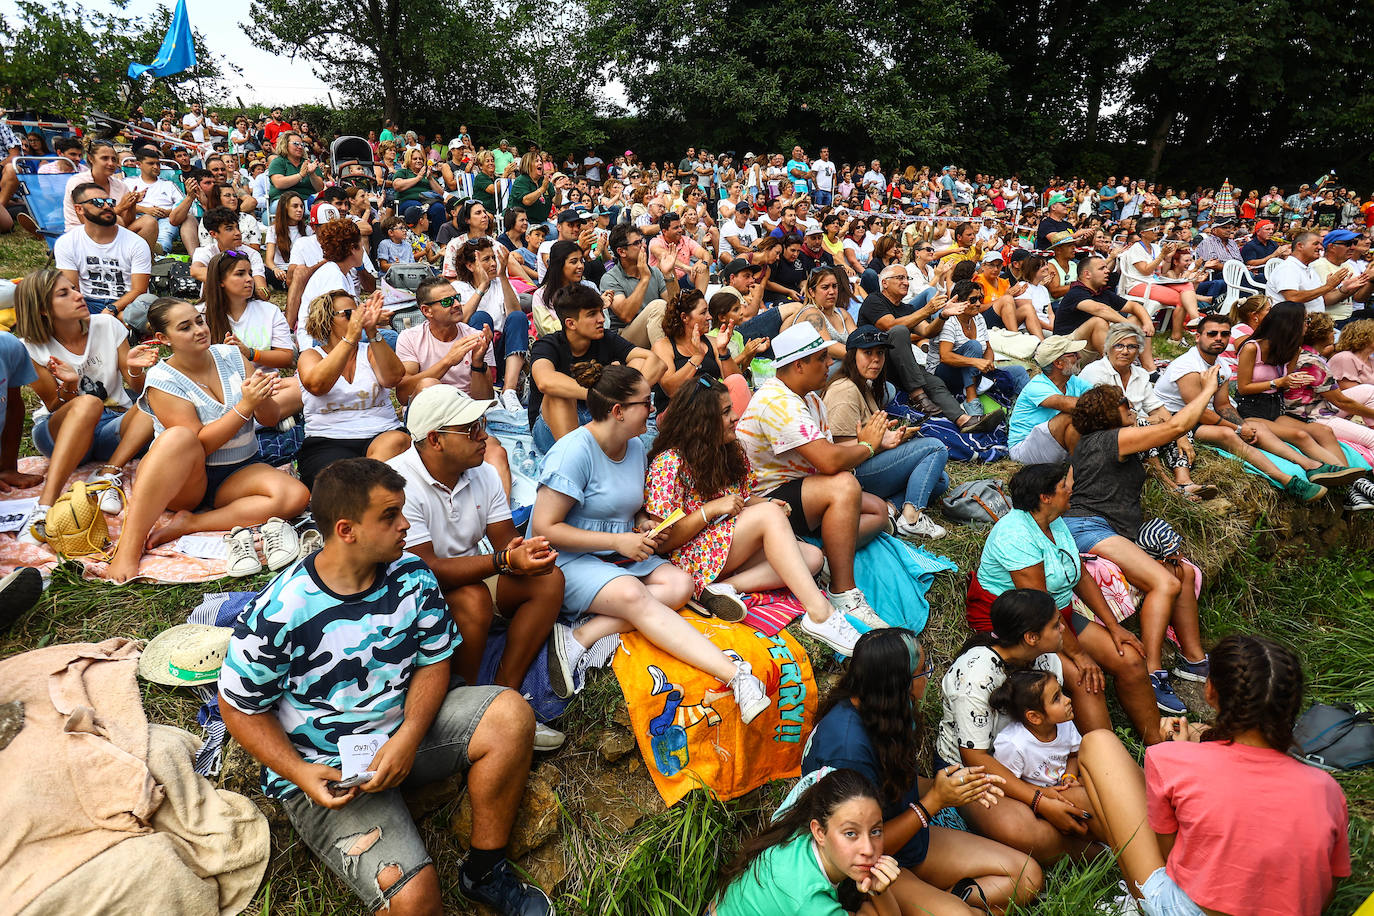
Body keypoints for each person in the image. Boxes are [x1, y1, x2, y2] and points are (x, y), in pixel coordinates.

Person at [218, 458, 555, 916]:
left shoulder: (412, 575)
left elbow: (434, 663)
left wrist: (408, 737)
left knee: (511, 714)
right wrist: (299, 774)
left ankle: (486, 870)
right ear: (346, 529)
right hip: (331, 772)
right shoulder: (280, 609)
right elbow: (238, 707)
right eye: (390, 516)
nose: (405, 525)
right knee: (414, 901)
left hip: (405, 738)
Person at [531, 365, 771, 721]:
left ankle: (583, 634)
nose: (656, 408)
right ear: (618, 411)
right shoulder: (573, 453)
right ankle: (734, 675)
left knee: (681, 583)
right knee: (632, 594)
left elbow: (632, 507)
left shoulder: (633, 447)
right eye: (648, 401)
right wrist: (619, 540)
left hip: (615, 551)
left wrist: (643, 522)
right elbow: (544, 528)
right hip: (566, 557)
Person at [1078, 634, 1350, 916]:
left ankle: (1136, 902)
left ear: (1210, 691)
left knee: (1099, 744)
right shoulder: (1327, 789)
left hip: (1193, 908)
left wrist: (1181, 759)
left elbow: (1175, 860)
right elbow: (1329, 886)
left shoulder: (1170, 760)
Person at [801, 629, 1044, 915]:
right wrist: (933, 804)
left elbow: (890, 785)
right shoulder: (847, 749)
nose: (928, 676)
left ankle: (946, 900)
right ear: (899, 684)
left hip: (906, 840)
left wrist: (955, 785)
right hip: (869, 865)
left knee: (1028, 876)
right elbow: (859, 845)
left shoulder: (883, 709)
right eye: (923, 671)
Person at [385, 386, 565, 749]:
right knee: (472, 599)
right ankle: (464, 707)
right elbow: (428, 571)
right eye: (471, 429)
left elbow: (503, 541)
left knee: (548, 580)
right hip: (409, 597)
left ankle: (504, 693)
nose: (485, 435)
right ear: (435, 440)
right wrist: (503, 561)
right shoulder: (397, 484)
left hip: (470, 576)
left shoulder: (481, 472)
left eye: (482, 423)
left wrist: (524, 553)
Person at [645, 377, 862, 656]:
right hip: (687, 557)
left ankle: (720, 589)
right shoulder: (670, 463)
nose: (735, 417)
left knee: (812, 558)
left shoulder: (729, 451)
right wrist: (709, 510)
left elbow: (742, 499)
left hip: (724, 547)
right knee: (769, 518)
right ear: (700, 421)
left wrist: (769, 501)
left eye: (731, 409)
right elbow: (663, 541)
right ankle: (821, 614)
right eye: (725, 412)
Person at [104, 298, 309, 583]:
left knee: (297, 496)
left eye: (199, 321)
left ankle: (190, 523)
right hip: (186, 478)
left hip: (238, 468)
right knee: (179, 437)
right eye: (185, 327)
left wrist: (260, 400)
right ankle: (130, 544)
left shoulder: (232, 356)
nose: (199, 330)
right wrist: (244, 407)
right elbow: (199, 445)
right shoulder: (162, 379)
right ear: (163, 338)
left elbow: (271, 419)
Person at [1064, 381, 1219, 714]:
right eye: (1123, 402)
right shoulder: (1111, 438)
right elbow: (1177, 426)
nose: (1130, 406)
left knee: (1181, 573)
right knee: (1164, 582)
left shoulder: (1095, 444)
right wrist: (1207, 387)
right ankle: (1152, 672)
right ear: (1108, 412)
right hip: (1088, 527)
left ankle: (1193, 661)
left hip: (1111, 529)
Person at [736, 323, 888, 627]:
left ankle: (817, 555)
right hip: (766, 501)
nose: (830, 364)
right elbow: (831, 463)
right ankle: (843, 592)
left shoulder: (811, 398)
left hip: (800, 490)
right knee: (845, 486)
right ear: (799, 364)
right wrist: (868, 446)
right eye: (822, 358)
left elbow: (829, 459)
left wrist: (861, 447)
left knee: (878, 512)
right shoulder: (777, 402)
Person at [936, 589, 1096, 864]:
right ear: (1031, 637)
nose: (1063, 629)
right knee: (1022, 829)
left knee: (1086, 796)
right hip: (973, 771)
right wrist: (1039, 800)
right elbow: (975, 756)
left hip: (1035, 757)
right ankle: (1099, 856)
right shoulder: (975, 677)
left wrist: (1062, 779)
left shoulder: (1046, 659)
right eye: (1055, 625)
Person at [11, 270, 157, 543]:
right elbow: (54, 405)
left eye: (75, 288)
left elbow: (137, 389)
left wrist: (136, 371)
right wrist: (69, 385)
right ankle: (43, 509)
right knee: (88, 402)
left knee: (159, 394)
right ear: (42, 309)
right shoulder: (30, 347)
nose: (79, 295)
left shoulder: (108, 325)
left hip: (114, 424)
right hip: (59, 430)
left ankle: (107, 475)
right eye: (64, 293)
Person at [1154, 313, 1336, 500]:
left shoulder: (1220, 363)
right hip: (1176, 417)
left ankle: (1311, 465)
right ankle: (1286, 480)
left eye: (1224, 334)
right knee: (1226, 434)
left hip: (1201, 415)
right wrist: (1237, 429)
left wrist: (1243, 426)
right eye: (1212, 334)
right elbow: (1197, 414)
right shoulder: (1187, 367)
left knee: (1257, 428)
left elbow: (1223, 404)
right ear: (1198, 337)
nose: (1219, 338)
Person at [710, 768, 903, 916]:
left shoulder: (798, 831)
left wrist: (877, 890)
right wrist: (880, 893)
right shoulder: (809, 903)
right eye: (851, 833)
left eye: (876, 831)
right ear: (819, 832)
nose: (868, 849)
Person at [823, 327, 949, 539]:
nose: (876, 360)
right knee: (935, 448)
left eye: (880, 353)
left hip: (867, 464)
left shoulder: (863, 385)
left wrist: (892, 438)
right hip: (851, 477)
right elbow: (838, 455)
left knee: (939, 479)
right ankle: (912, 520)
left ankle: (889, 509)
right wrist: (881, 443)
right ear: (852, 355)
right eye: (868, 353)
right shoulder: (844, 390)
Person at [1234, 301, 1368, 482]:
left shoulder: (1293, 350)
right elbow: (1243, 388)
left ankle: (1350, 480)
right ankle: (1354, 484)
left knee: (1324, 432)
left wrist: (1294, 383)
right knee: (1301, 435)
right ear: (1290, 322)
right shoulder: (1252, 348)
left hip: (1276, 409)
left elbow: (1285, 383)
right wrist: (1278, 382)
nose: (1308, 325)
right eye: (1305, 320)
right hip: (1251, 410)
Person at [1078, 323, 1215, 500]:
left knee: (1178, 425)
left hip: (1139, 423)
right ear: (1108, 348)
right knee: (1143, 426)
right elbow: (1107, 417)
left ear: (1138, 350)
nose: (1125, 351)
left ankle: (1184, 481)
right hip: (1108, 434)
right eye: (1119, 345)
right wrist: (1152, 422)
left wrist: (1180, 435)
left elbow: (1156, 407)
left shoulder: (1140, 373)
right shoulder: (1095, 372)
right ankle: (1168, 485)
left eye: (1131, 346)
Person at [855, 264, 998, 432]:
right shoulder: (875, 300)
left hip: (902, 365)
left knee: (935, 382)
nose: (906, 282)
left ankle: (965, 420)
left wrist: (943, 316)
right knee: (899, 331)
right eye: (900, 278)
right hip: (874, 364)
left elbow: (927, 331)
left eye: (907, 278)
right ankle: (918, 395)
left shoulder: (907, 309)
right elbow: (889, 326)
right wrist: (926, 310)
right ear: (884, 283)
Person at [293, 289, 411, 489]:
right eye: (349, 314)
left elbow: (393, 378)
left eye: (358, 313)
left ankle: (364, 494)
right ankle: (368, 494)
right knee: (336, 482)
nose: (356, 318)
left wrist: (372, 332)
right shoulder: (311, 355)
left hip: (381, 433)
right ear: (327, 320)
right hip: (329, 439)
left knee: (396, 441)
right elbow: (317, 385)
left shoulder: (371, 351)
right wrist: (349, 339)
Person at [526, 283, 662, 451]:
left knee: (637, 365)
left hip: (598, 416)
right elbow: (544, 381)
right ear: (571, 323)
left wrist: (627, 396)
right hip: (552, 427)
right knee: (558, 394)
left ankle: (604, 450)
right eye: (592, 314)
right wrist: (603, 396)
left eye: (600, 311)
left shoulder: (605, 338)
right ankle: (575, 459)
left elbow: (656, 362)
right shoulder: (549, 345)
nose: (602, 319)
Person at [448, 237, 526, 414]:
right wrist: (482, 287)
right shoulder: (459, 288)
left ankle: (509, 391)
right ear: (470, 266)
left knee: (518, 317)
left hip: (504, 350)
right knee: (481, 318)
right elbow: (463, 319)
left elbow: (515, 312)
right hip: (474, 354)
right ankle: (489, 389)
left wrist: (503, 276)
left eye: (494, 258)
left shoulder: (501, 283)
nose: (492, 263)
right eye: (486, 259)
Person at [929, 279, 1030, 410]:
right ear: (959, 302)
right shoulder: (949, 320)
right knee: (974, 345)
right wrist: (975, 362)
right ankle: (972, 401)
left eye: (979, 299)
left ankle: (1031, 406)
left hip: (973, 371)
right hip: (944, 374)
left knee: (1019, 371)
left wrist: (987, 363)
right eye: (973, 300)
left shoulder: (978, 317)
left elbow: (987, 347)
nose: (978, 304)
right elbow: (945, 356)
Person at [55, 182, 152, 318]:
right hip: (87, 302)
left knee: (138, 313)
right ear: (79, 209)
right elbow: (72, 289)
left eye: (110, 202)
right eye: (98, 202)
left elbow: (139, 290)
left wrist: (113, 308)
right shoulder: (67, 242)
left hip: (126, 303)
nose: (107, 206)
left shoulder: (136, 243)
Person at [649, 288, 744, 412]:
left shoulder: (712, 342)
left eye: (708, 312)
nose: (709, 317)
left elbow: (735, 382)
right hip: (676, 410)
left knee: (738, 383)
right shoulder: (663, 346)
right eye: (703, 312)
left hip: (711, 406)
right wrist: (697, 357)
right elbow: (671, 390)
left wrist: (723, 352)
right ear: (684, 317)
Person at [1007, 336, 1092, 464]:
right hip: (1022, 450)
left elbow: (1097, 394)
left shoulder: (1072, 381)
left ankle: (1079, 463)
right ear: (1058, 363)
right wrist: (1108, 402)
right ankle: (1080, 467)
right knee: (1070, 416)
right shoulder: (1037, 386)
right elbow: (1071, 405)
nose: (1079, 356)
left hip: (1050, 443)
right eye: (1073, 354)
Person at [127, 146, 196, 255]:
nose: (156, 167)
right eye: (151, 164)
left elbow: (183, 204)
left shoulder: (169, 184)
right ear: (139, 165)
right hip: (138, 216)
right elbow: (120, 206)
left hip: (166, 217)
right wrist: (146, 210)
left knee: (166, 233)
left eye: (158, 164)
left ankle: (160, 253)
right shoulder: (128, 182)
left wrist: (168, 212)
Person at [265, 131, 323, 215]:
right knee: (300, 210)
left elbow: (319, 188)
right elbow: (278, 183)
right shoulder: (278, 162)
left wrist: (312, 174)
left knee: (321, 209)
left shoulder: (309, 163)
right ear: (285, 144)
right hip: (283, 199)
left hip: (307, 200)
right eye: (296, 144)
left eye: (302, 144)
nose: (300, 147)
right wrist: (300, 175)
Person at [265, 191, 311, 289]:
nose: (299, 210)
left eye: (301, 206)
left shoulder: (308, 230)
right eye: (295, 206)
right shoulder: (273, 229)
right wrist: (276, 270)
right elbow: (269, 260)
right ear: (285, 208)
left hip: (299, 270)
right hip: (280, 271)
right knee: (264, 270)